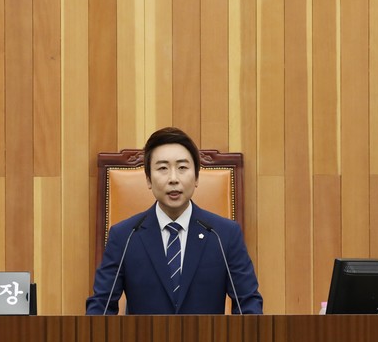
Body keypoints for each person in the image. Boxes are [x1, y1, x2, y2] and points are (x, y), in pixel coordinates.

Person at [86, 127, 262, 315]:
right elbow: (101, 308)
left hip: (208, 335)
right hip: (144, 335)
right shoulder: (125, 236)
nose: (173, 179)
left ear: (196, 177)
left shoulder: (224, 235)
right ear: (148, 179)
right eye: (162, 168)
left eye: (182, 168)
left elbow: (248, 305)